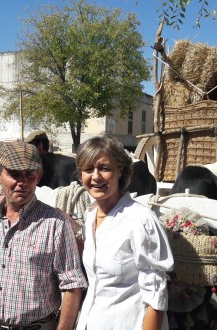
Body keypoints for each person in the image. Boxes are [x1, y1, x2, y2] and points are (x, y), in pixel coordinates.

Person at [0, 140, 87, 330]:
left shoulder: (56, 224)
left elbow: (72, 287)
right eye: (14, 174)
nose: (22, 183)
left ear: (39, 176)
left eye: (29, 175)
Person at [74, 135, 174, 330]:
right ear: (80, 175)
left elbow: (156, 295)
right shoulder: (90, 215)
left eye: (104, 168)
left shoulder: (140, 220)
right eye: (88, 169)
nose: (95, 177)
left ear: (120, 170)